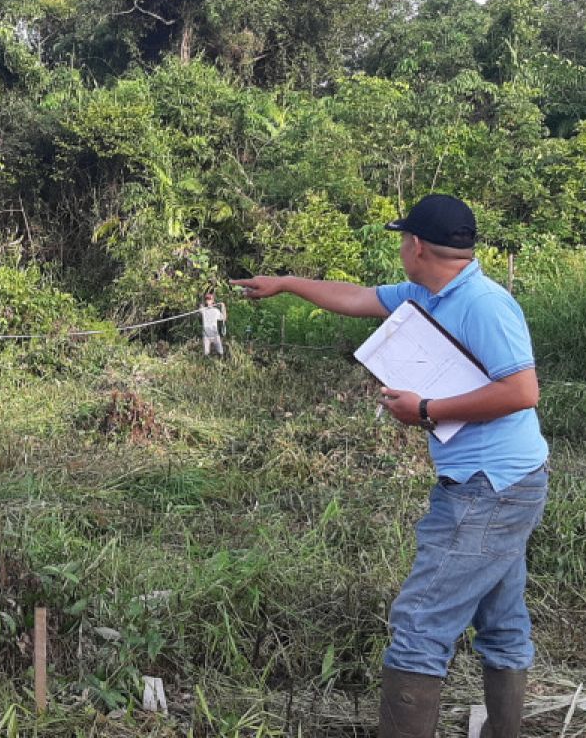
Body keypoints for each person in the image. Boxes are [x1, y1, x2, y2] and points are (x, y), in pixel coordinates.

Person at [231, 194, 549, 738]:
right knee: (501, 623)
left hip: (489, 488)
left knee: (420, 626)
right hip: (502, 483)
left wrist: (425, 410)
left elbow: (523, 391)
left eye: (403, 239)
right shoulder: (428, 295)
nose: (401, 247)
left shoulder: (484, 304)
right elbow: (355, 297)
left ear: (416, 245)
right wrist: (284, 282)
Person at [198, 291, 227, 357]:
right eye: (207, 299)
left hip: (215, 334)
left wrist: (223, 307)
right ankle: (206, 365)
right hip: (206, 335)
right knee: (206, 353)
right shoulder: (204, 310)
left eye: (209, 299)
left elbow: (224, 318)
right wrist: (200, 307)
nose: (208, 301)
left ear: (213, 301)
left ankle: (220, 364)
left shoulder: (216, 310)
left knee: (221, 352)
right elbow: (199, 310)